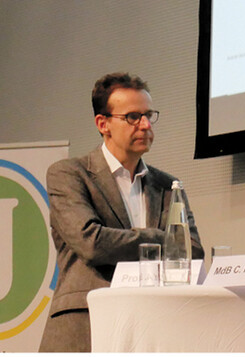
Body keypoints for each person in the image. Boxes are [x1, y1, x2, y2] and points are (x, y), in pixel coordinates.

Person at [41, 72, 204, 352]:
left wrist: (159, 244)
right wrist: (159, 240)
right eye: (133, 117)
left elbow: (193, 251)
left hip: (152, 327)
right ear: (102, 123)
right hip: (86, 325)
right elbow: (92, 242)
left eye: (148, 115)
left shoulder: (168, 186)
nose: (145, 125)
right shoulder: (69, 174)